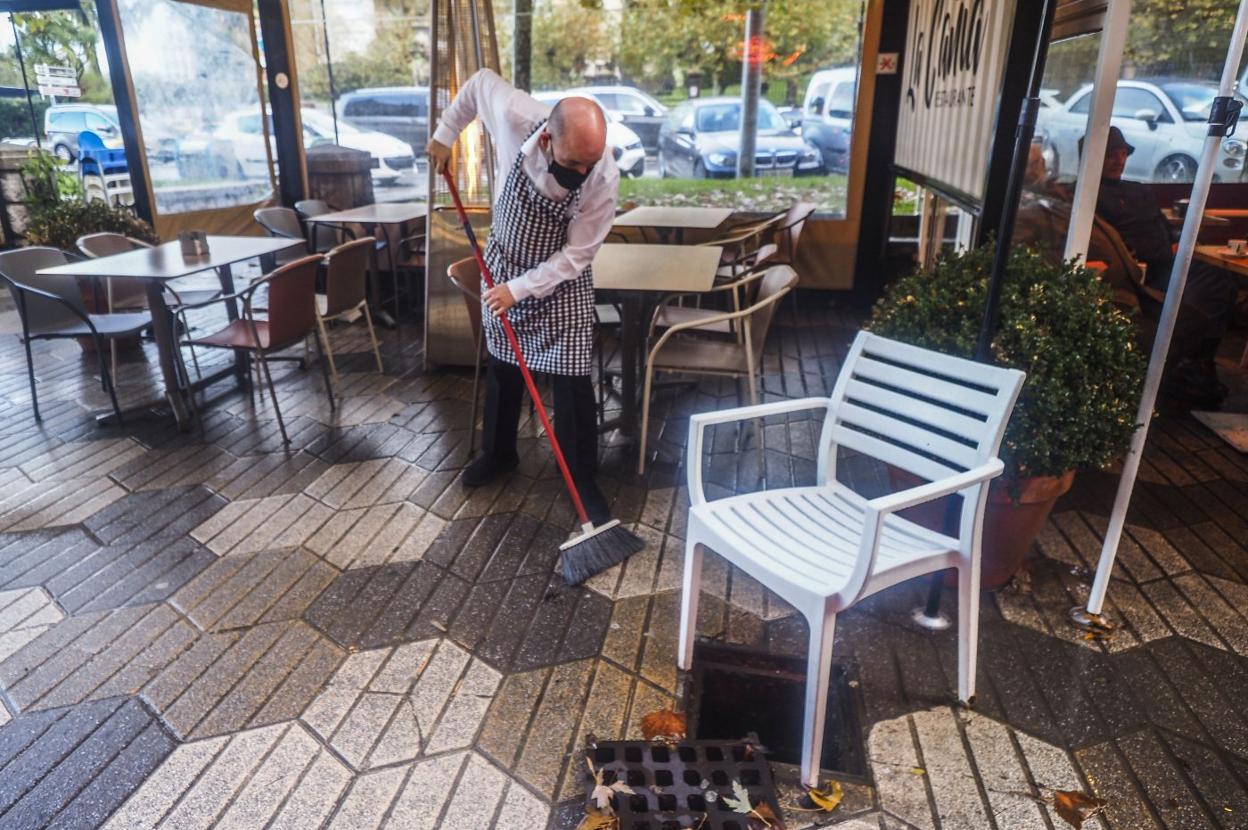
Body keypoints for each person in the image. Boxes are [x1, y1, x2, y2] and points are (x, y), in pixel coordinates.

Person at [427, 70, 619, 520]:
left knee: (572, 380)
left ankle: (581, 478)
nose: (581, 174)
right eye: (573, 164)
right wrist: (444, 133)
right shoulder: (514, 115)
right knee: (504, 367)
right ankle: (498, 454)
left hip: (561, 278)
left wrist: (522, 290)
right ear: (549, 140)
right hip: (506, 263)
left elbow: (578, 254)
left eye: (589, 165)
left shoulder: (602, 176)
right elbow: (474, 84)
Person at [1014, 139, 1226, 407]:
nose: (1041, 169)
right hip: (1104, 295)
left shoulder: (1060, 197)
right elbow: (1023, 260)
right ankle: (1128, 392)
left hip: (1132, 282)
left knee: (1206, 299)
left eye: (1040, 163)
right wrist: (1078, 271)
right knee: (1183, 320)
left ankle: (1156, 381)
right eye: (1035, 165)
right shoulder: (1034, 207)